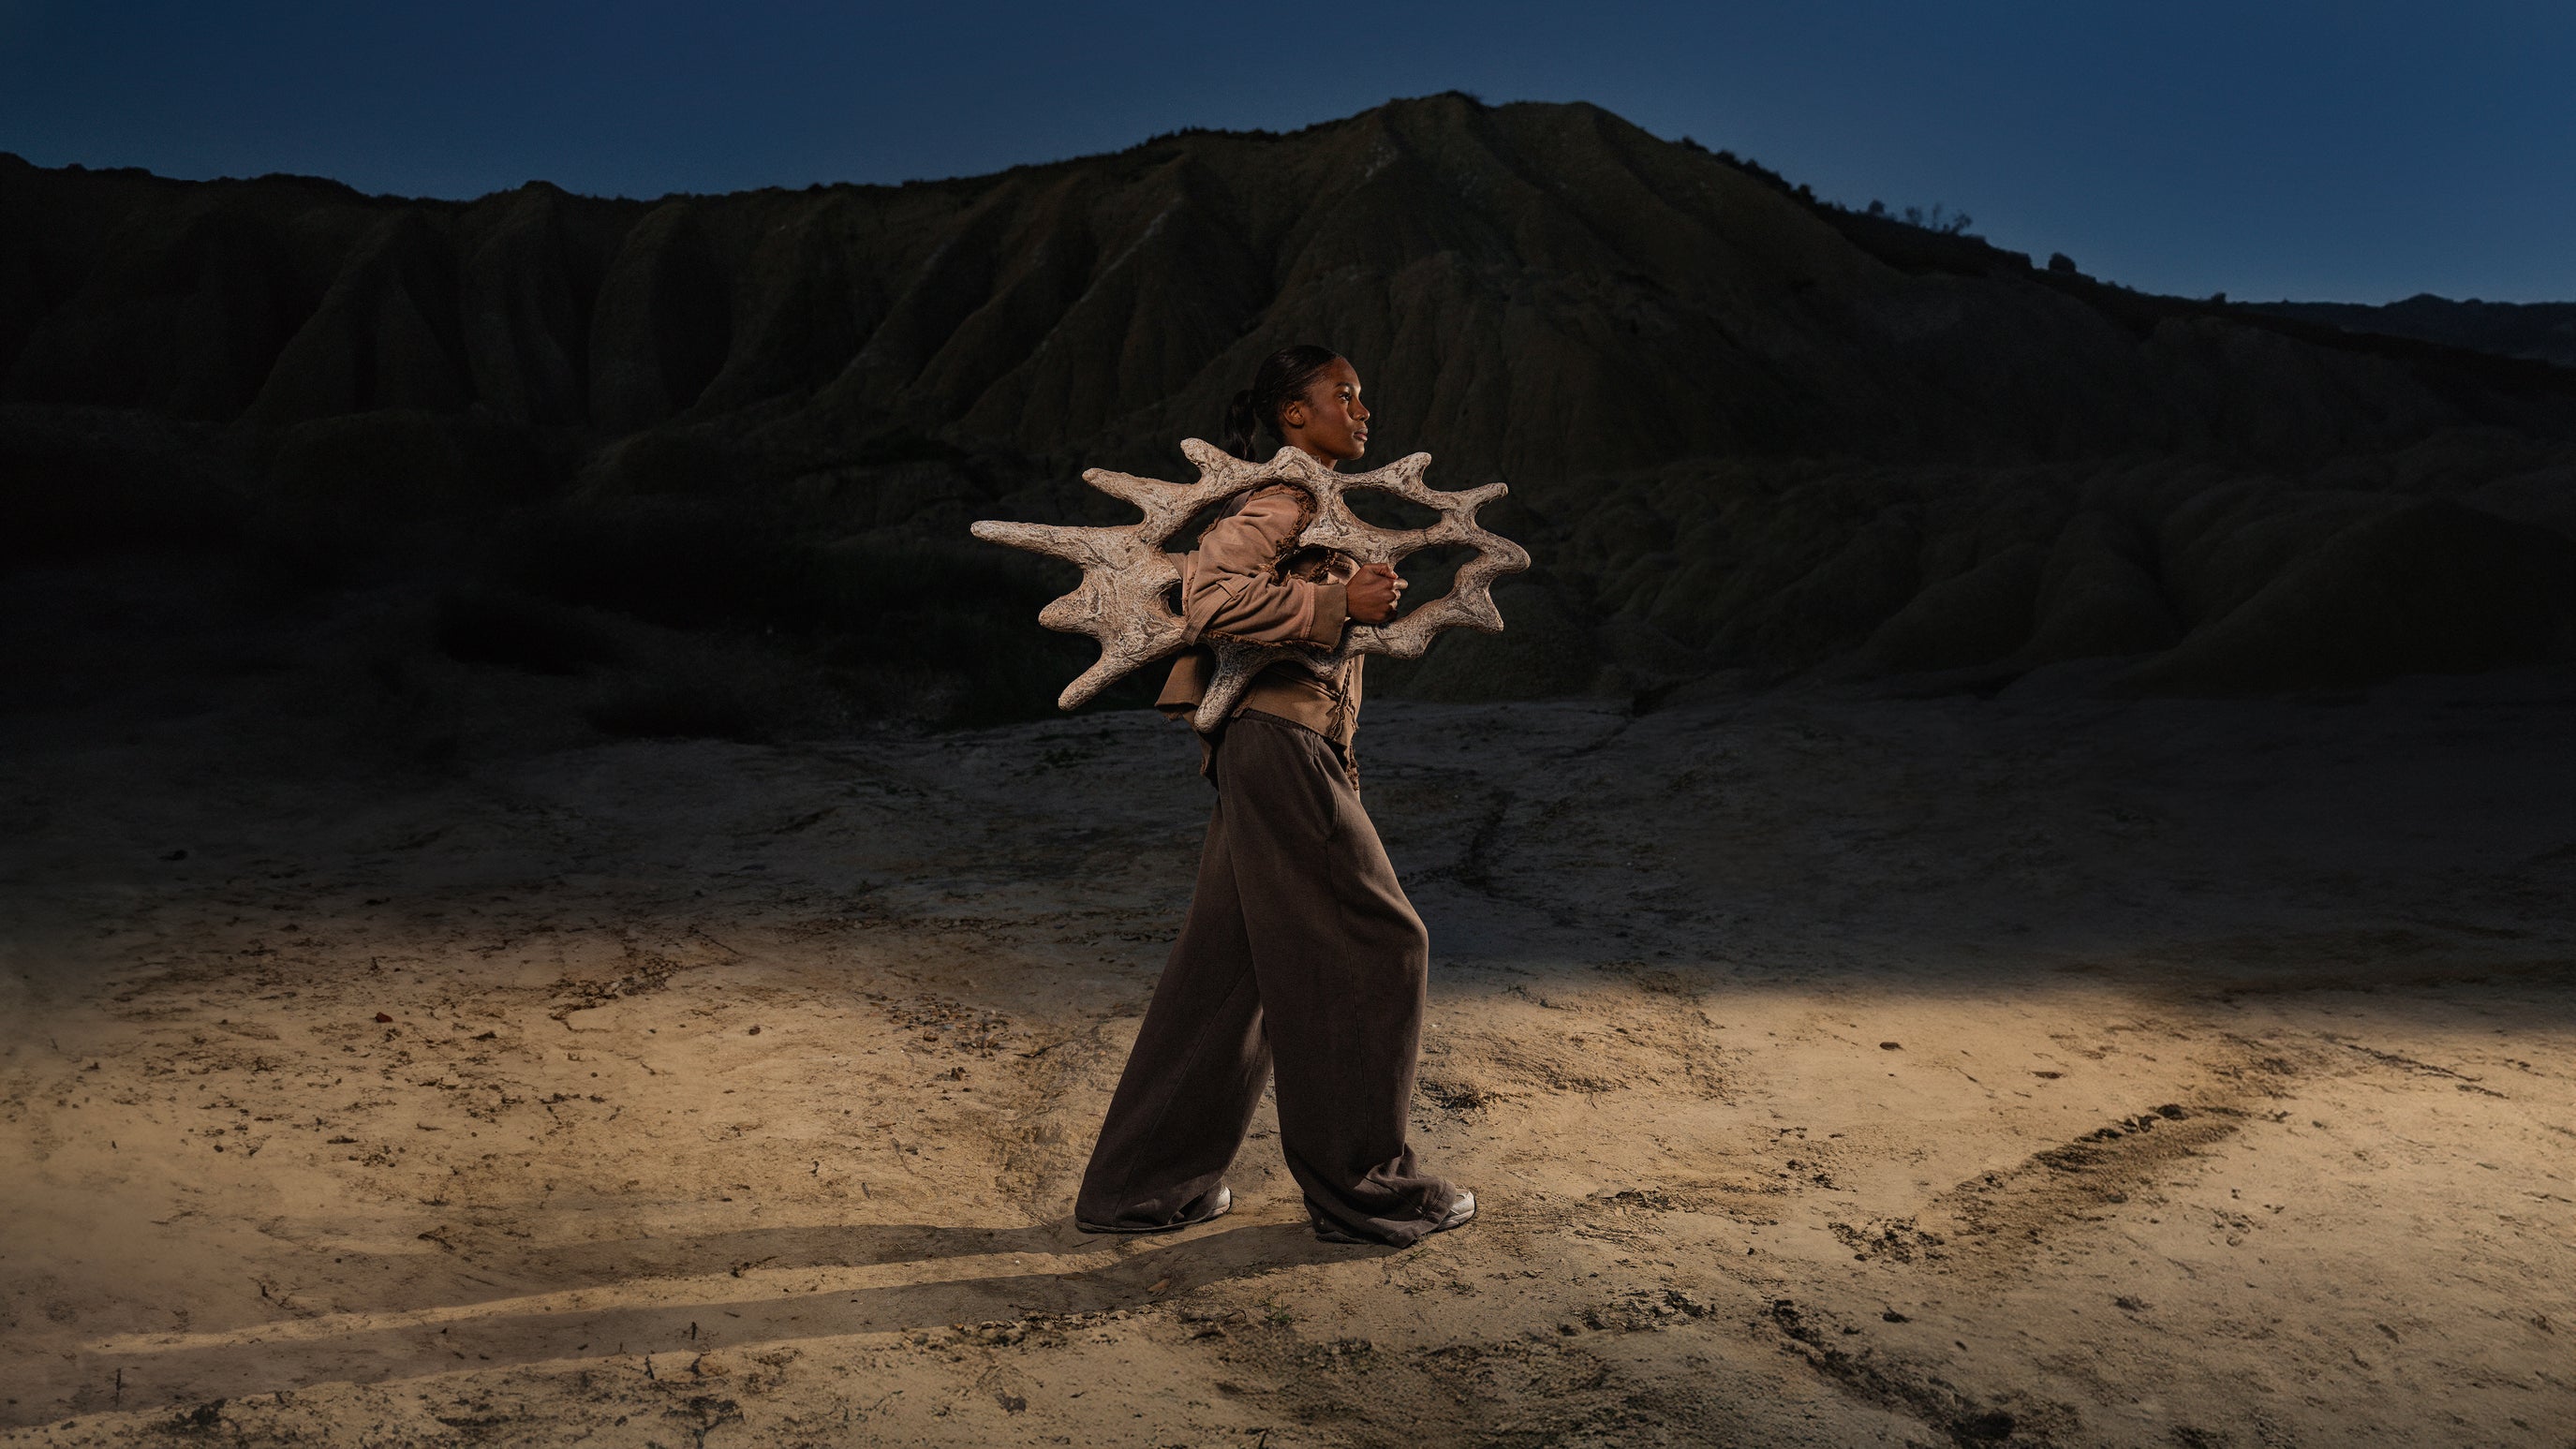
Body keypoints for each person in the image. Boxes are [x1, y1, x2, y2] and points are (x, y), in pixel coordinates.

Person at [1072, 345, 1475, 1248]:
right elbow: (1211, 599)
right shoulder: (1284, 498)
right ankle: (1364, 1191)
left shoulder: (1313, 503)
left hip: (1274, 748)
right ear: (1295, 414)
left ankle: (1138, 1188)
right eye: (1344, 395)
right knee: (1376, 943)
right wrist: (1339, 607)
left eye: (1363, 397)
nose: (1362, 411)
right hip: (1277, 745)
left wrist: (1346, 603)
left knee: (1233, 967)